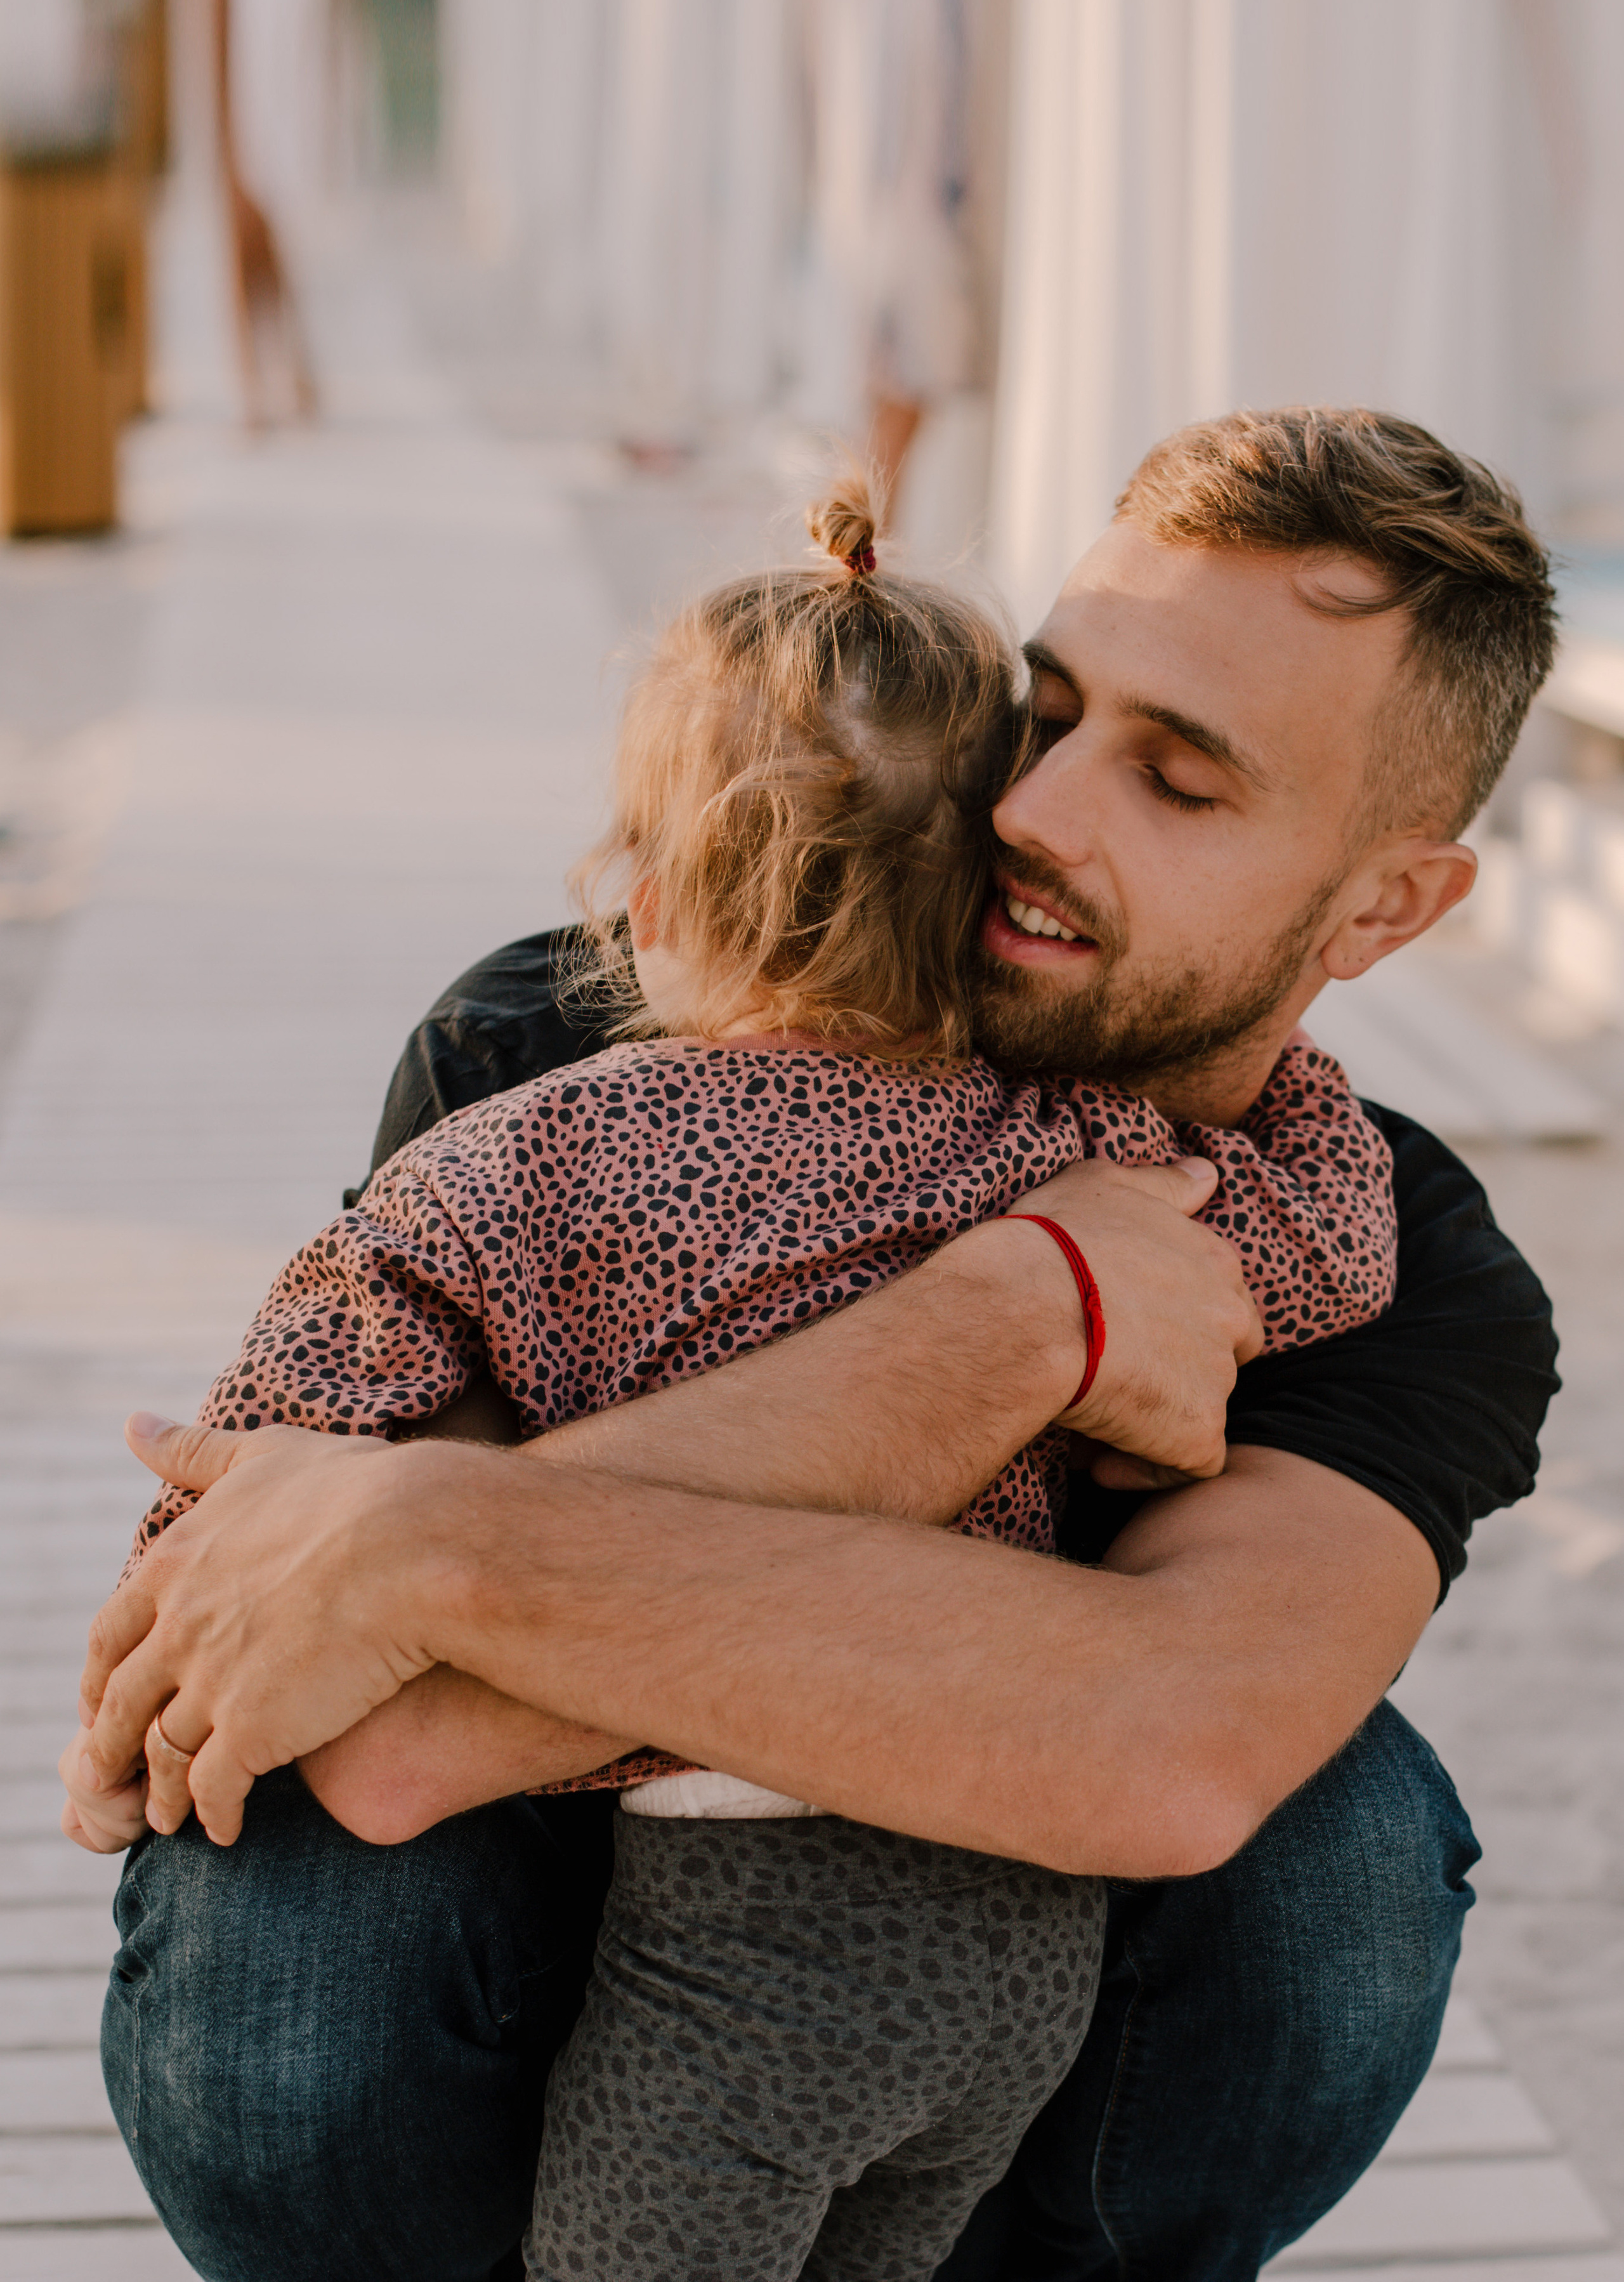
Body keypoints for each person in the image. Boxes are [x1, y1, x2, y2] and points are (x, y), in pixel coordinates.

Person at [72, 409, 1559, 2282]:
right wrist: (1022, 1323)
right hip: (533, 2060)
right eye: (1051, 708)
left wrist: (424, 1545)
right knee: (287, 1903)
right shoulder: (569, 1039)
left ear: (1385, 905)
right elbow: (370, 1746)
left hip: (984, 2051)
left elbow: (1175, 1742)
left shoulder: (1379, 1242)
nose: (1034, 810)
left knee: (1342, 1848)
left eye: (1179, 782)